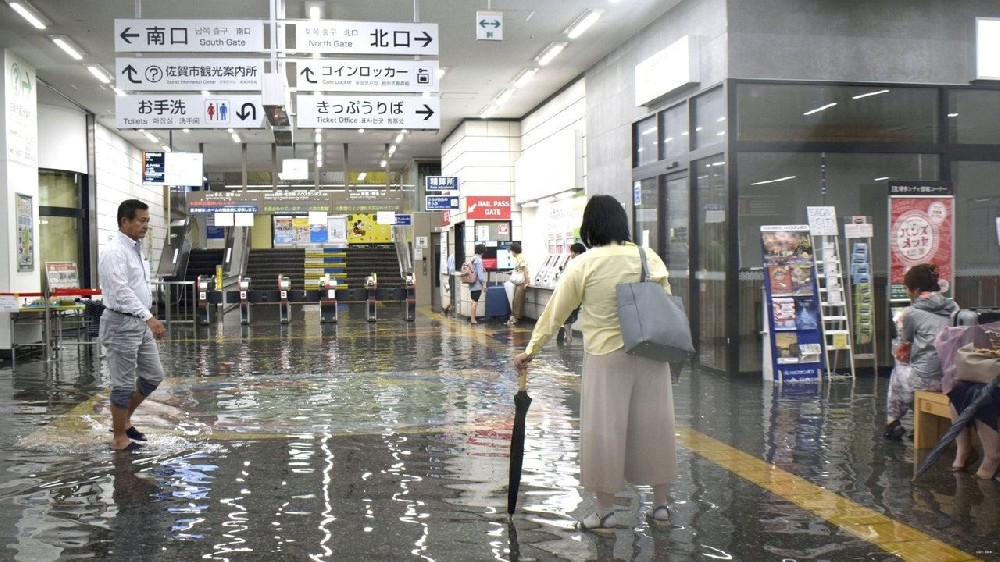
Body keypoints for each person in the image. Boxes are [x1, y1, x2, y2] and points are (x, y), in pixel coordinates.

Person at [513, 195, 677, 532]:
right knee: (656, 427)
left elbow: (555, 313)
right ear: (622, 223)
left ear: (590, 228)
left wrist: (531, 350)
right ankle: (661, 507)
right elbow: (667, 304)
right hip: (651, 353)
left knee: (604, 431)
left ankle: (605, 513)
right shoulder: (649, 257)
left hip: (606, 357)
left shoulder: (585, 264)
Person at [99, 199, 166, 452]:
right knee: (123, 383)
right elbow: (119, 291)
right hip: (121, 322)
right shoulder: (115, 251)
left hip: (139, 320)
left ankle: (124, 421)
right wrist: (149, 317)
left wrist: (145, 316)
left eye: (147, 221)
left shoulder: (136, 249)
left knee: (152, 376)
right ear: (124, 221)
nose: (145, 226)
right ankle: (119, 438)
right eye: (141, 220)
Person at [884, 263, 959, 440]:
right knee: (905, 378)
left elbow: (904, 347)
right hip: (952, 377)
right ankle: (903, 423)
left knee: (898, 370)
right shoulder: (954, 307)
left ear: (916, 290)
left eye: (907, 289)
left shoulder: (911, 313)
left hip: (926, 380)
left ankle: (892, 421)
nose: (906, 293)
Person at [557, 242, 587, 344]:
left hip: (571, 293)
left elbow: (569, 277)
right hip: (580, 294)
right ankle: (569, 335)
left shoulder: (575, 263)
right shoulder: (586, 261)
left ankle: (569, 337)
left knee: (567, 316)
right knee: (571, 315)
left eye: (572, 252)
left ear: (575, 252)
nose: (571, 254)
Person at [506, 242, 530, 325]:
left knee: (518, 300)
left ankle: (516, 318)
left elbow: (525, 271)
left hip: (521, 282)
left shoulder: (521, 258)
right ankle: (514, 317)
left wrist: (527, 282)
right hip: (518, 282)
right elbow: (519, 270)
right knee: (515, 300)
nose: (511, 253)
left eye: (511, 251)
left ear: (514, 251)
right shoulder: (518, 258)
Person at [467, 244, 486, 324]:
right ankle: (473, 320)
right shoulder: (479, 260)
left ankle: (472, 318)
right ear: (482, 251)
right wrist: (484, 284)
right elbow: (480, 275)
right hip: (477, 283)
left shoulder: (473, 258)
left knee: (473, 300)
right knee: (475, 301)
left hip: (472, 282)